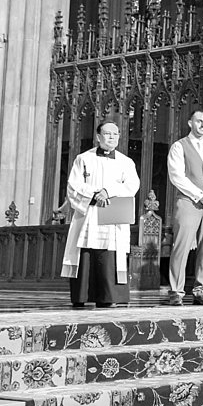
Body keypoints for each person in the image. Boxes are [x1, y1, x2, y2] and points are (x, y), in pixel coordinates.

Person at [60, 120, 140, 309]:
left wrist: (108, 191)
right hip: (89, 212)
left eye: (116, 134)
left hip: (113, 214)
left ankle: (108, 296)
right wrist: (94, 194)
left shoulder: (126, 162)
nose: (112, 137)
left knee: (109, 254)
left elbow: (132, 185)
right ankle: (82, 295)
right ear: (98, 137)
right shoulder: (83, 159)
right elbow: (73, 185)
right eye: (107, 133)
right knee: (86, 252)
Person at [167, 107, 203, 306]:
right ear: (190, 123)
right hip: (188, 201)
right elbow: (177, 176)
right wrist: (199, 195)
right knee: (181, 246)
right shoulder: (179, 146)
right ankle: (176, 290)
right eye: (199, 121)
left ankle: (201, 289)